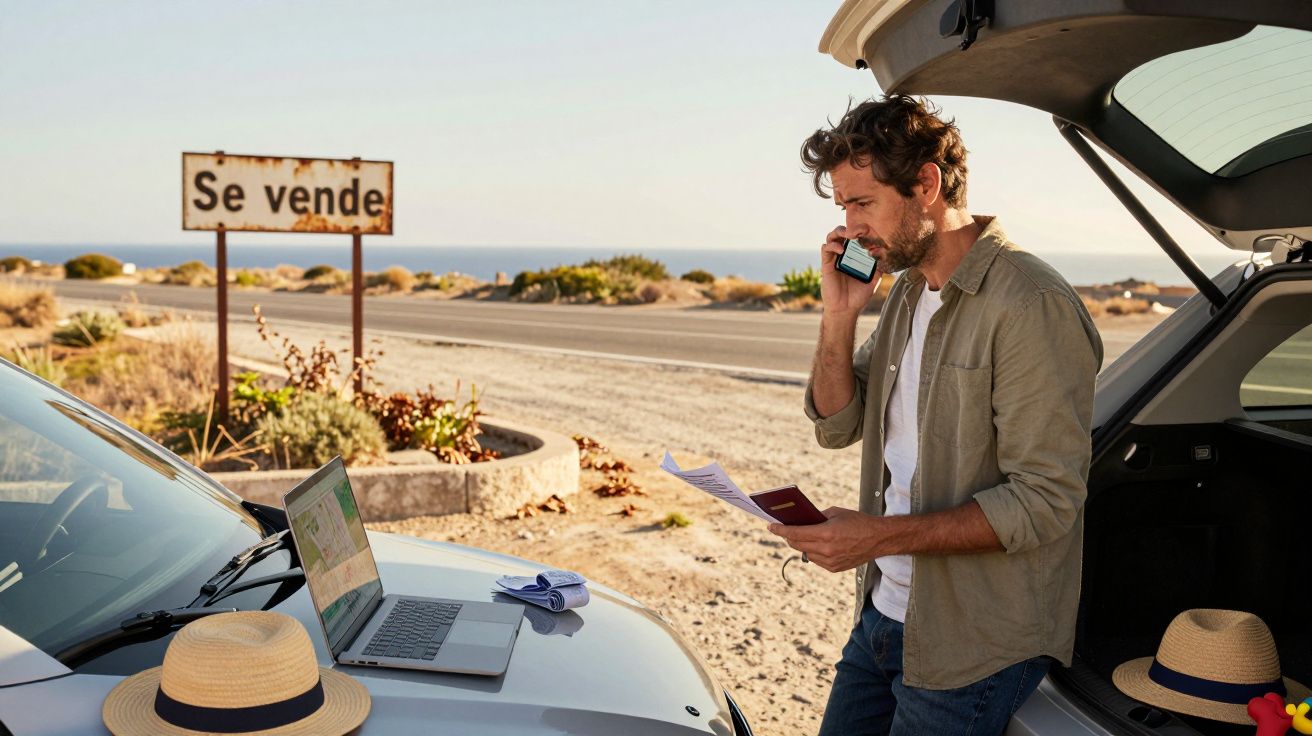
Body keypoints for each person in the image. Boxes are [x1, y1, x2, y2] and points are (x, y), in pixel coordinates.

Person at [768, 94, 1103, 736]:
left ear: (926, 183)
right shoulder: (906, 294)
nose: (852, 226)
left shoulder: (1031, 303)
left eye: (862, 203)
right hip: (883, 616)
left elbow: (1047, 500)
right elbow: (837, 425)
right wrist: (839, 313)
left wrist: (878, 536)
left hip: (971, 645)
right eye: (843, 208)